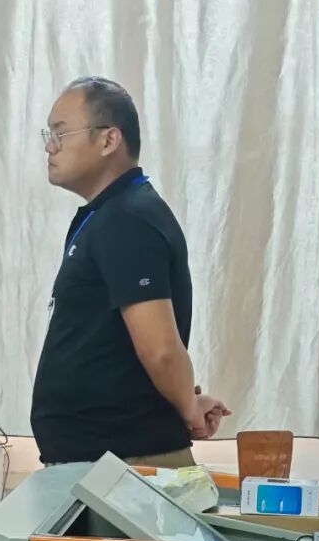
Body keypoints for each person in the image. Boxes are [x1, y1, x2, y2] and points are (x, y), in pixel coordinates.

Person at [31, 76, 230, 467]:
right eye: (48, 135)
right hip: (104, 463)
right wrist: (186, 400)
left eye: (60, 134)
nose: (49, 147)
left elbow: (160, 349)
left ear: (109, 140)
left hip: (124, 466)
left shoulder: (128, 219)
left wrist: (189, 409)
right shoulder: (109, 214)